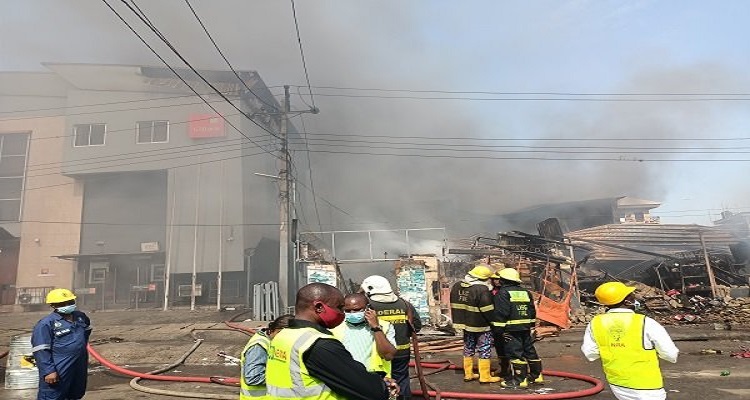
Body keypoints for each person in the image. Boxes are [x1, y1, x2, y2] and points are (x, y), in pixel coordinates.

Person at [265, 283, 398, 400]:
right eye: (340, 308)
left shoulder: (284, 335)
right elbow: (372, 392)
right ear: (319, 307)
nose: (343, 314)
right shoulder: (318, 344)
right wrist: (382, 386)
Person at [581, 281, 679, 400]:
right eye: (632, 295)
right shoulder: (646, 322)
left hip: (617, 384)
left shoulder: (595, 323)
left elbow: (590, 353)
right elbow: (670, 354)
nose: (635, 298)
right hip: (648, 386)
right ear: (627, 300)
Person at [361, 275, 421, 400]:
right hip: (402, 352)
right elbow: (417, 326)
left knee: (381, 384)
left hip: (378, 354)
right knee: (402, 382)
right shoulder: (406, 304)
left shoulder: (368, 306)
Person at [31, 288, 92, 400]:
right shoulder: (46, 324)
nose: (68, 305)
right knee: (53, 394)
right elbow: (41, 349)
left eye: (70, 302)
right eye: (63, 303)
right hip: (59, 365)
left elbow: (85, 332)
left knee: (75, 392)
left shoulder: (80, 317)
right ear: (53, 305)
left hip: (79, 363)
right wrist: (49, 371)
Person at [449, 264, 501, 383]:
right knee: (484, 348)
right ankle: (485, 376)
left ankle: (468, 374)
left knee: (468, 347)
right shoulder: (481, 289)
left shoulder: (457, 286)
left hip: (465, 324)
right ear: (484, 279)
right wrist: (495, 322)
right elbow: (487, 309)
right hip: (481, 325)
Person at [493, 268, 542, 388]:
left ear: (503, 280)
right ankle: (536, 376)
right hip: (525, 328)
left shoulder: (503, 293)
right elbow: (531, 311)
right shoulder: (526, 292)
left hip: (511, 330)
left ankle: (519, 380)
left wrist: (499, 331)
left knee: (515, 354)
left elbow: (501, 313)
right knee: (530, 351)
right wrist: (530, 327)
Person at [331, 293, 397, 377]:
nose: (352, 313)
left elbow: (388, 355)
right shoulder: (335, 327)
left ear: (368, 308)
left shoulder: (384, 326)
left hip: (376, 378)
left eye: (357, 310)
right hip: (345, 378)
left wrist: (376, 328)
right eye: (347, 311)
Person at [240, 314, 294, 399]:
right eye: (281, 334)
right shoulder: (259, 346)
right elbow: (253, 378)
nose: (284, 338)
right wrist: (284, 376)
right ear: (273, 330)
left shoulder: (274, 342)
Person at [489, 270, 511, 382]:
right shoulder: (490, 293)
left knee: (510, 348)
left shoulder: (506, 292)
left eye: (498, 279)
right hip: (495, 325)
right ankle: (503, 369)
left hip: (507, 325)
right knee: (499, 348)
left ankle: (512, 371)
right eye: (494, 279)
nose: (496, 281)